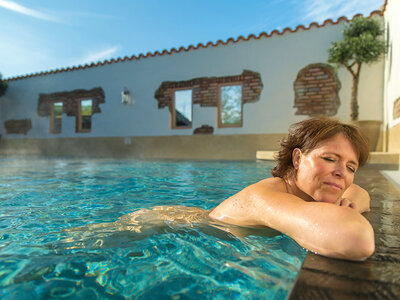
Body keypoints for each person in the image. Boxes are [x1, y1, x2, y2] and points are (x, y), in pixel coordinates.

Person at [209, 117, 374, 261]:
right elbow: (356, 239)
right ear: (297, 159)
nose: (342, 173)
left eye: (351, 168)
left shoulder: (304, 194)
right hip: (195, 231)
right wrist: (342, 212)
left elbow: (360, 193)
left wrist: (346, 204)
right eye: (329, 159)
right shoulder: (264, 197)